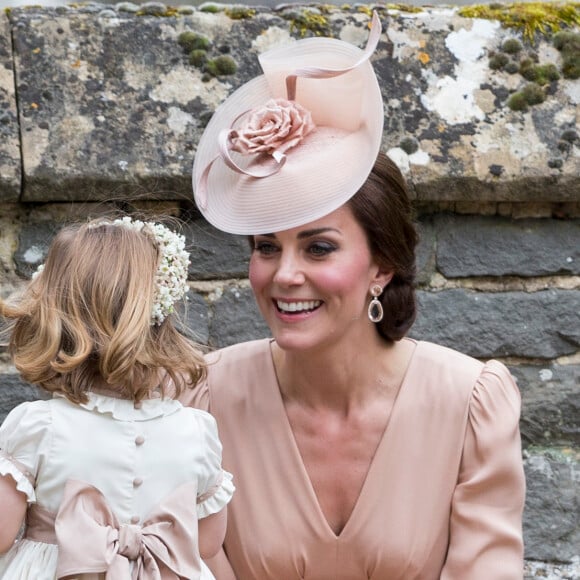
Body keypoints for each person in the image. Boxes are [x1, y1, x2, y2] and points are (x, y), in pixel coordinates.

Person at [184, 11, 526, 580]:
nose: (284, 274)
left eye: (318, 248)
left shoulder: (470, 404)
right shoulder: (204, 400)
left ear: (383, 266)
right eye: (268, 246)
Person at [0, 216, 235, 579]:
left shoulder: (38, 426)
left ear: (55, 318)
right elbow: (205, 543)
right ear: (161, 322)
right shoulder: (197, 432)